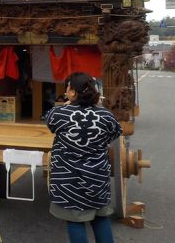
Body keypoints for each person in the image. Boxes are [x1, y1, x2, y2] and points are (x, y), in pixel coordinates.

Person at [46, 72, 121, 243]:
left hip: (69, 180)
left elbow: (51, 126)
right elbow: (115, 133)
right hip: (97, 178)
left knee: (74, 221)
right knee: (101, 218)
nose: (65, 91)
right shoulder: (106, 116)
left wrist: (67, 106)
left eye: (67, 87)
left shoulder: (58, 114)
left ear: (72, 92)